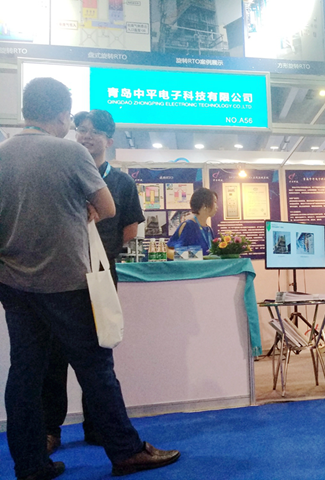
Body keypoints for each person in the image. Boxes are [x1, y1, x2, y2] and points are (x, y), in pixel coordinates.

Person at [0, 77, 180, 480]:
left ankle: (30, 464)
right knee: (97, 369)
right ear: (62, 114)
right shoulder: (70, 152)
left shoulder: (2, 153)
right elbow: (108, 207)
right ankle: (126, 452)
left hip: (15, 284)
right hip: (68, 282)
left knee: (25, 372)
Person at [42, 109, 146, 455]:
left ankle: (97, 426)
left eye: (95, 132)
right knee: (54, 356)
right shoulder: (63, 170)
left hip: (100, 276)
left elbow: (130, 227)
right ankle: (50, 429)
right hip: (60, 274)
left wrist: (105, 251)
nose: (86, 136)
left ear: (109, 140)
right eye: (81, 129)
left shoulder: (121, 183)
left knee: (99, 354)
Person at [167, 187, 217, 259]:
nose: (217, 206)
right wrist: (194, 257)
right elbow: (170, 252)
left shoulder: (209, 229)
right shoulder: (188, 226)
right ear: (204, 205)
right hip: (191, 266)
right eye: (214, 202)